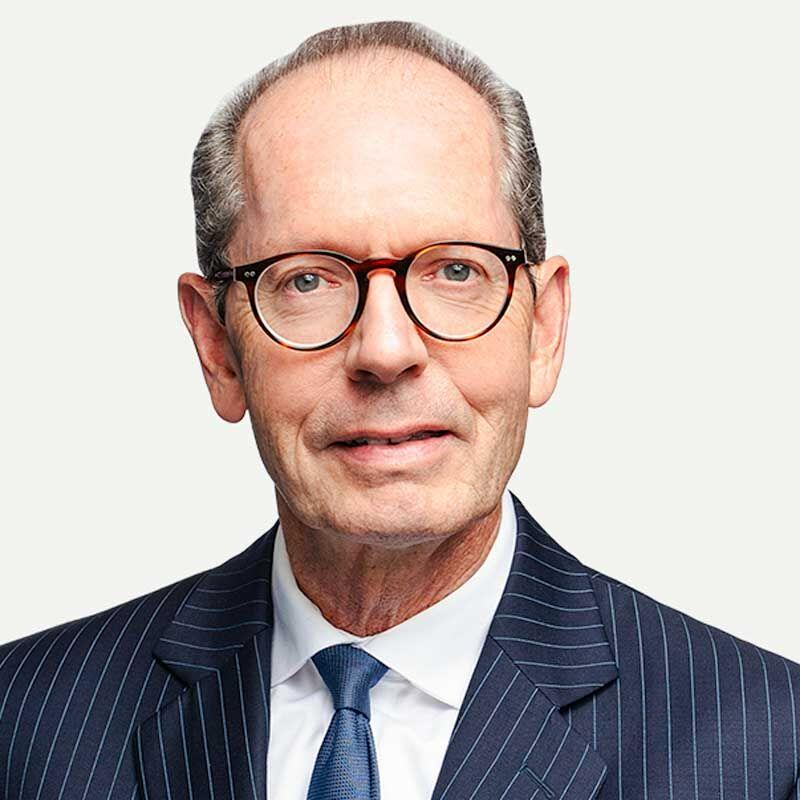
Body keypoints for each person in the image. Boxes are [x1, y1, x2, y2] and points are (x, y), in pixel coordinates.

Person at [1, 19, 798, 800]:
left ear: (544, 330)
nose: (386, 350)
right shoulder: (24, 722)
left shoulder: (768, 746)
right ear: (217, 347)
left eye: (455, 270)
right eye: (306, 279)